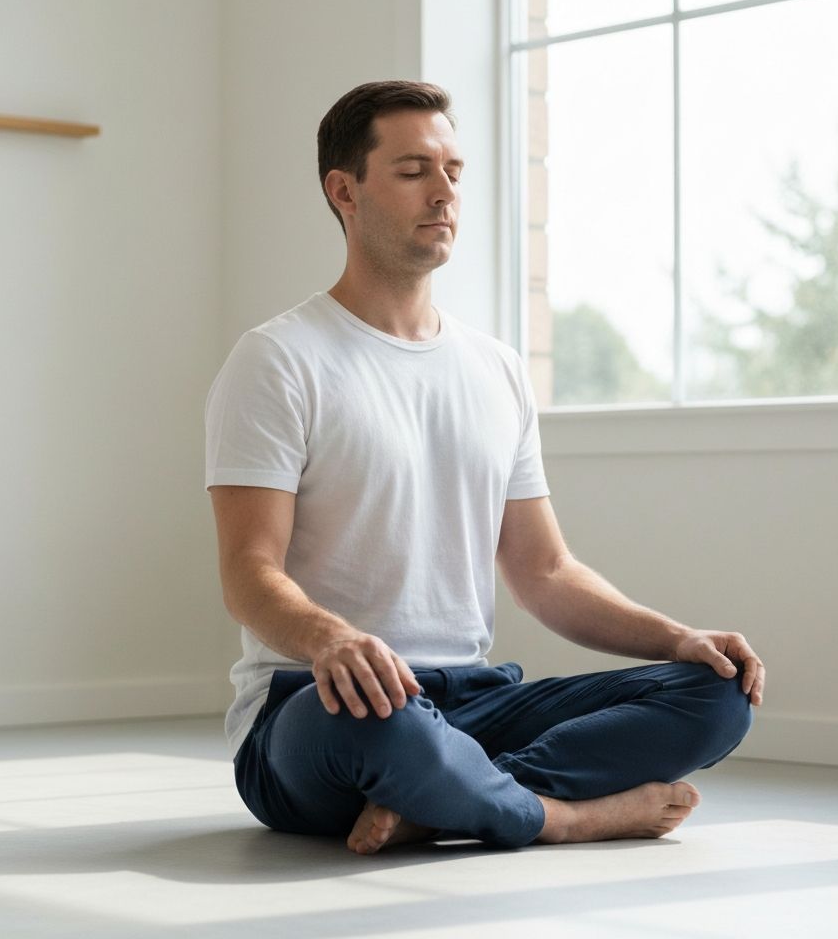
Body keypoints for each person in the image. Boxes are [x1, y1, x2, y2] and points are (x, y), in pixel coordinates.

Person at [204, 80, 763, 855]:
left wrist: (676, 638)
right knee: (373, 724)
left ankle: (444, 800)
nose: (444, 193)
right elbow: (248, 570)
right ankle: (560, 815)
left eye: (453, 172)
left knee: (718, 695)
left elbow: (546, 570)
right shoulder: (278, 359)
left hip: (473, 702)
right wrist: (333, 639)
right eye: (412, 171)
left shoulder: (494, 368)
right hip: (325, 704)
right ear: (345, 191)